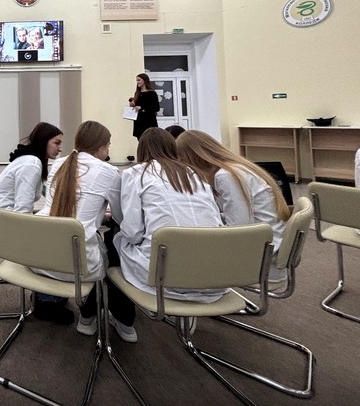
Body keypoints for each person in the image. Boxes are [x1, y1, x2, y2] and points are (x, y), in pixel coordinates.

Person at [114, 128, 225, 341]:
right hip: (213, 275)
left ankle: (120, 318)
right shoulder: (195, 174)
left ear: (141, 150)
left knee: (115, 238)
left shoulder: (136, 173)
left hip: (163, 277)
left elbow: (133, 232)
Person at [32, 121, 123, 329]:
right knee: (115, 244)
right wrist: (102, 216)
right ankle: (98, 315)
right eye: (108, 145)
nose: (109, 150)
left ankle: (49, 299)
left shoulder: (59, 164)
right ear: (101, 146)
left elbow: (65, 206)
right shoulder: (109, 171)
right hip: (80, 265)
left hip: (39, 258)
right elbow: (120, 217)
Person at [176, 130, 291, 281]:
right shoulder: (235, 167)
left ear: (194, 159)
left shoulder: (226, 176)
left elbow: (239, 228)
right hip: (269, 248)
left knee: (185, 251)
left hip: (262, 261)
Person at [0, 122, 63, 240]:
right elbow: (23, 210)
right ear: (43, 141)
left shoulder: (28, 159)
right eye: (56, 143)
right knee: (57, 235)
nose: (60, 148)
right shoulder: (31, 165)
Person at [129, 73, 159, 141]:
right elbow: (137, 106)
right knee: (140, 141)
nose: (137, 82)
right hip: (139, 122)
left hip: (149, 122)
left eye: (139, 80)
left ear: (144, 80)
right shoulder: (137, 93)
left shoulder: (152, 93)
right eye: (136, 80)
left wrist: (142, 108)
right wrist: (133, 105)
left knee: (150, 141)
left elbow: (156, 107)